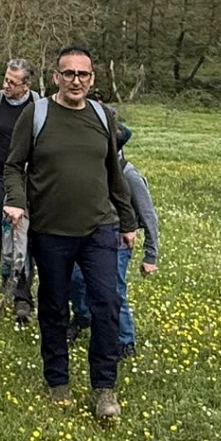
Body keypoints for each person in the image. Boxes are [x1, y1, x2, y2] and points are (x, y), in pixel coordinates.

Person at [3, 45, 138, 420]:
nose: (75, 80)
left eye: (83, 74)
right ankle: (58, 381)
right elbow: (13, 165)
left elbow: (114, 172)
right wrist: (15, 199)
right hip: (50, 231)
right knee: (53, 306)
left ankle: (104, 388)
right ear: (55, 77)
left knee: (107, 305)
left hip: (99, 228)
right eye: (68, 73)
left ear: (92, 79)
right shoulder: (37, 113)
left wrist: (127, 222)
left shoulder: (102, 116)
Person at [69, 123, 159, 359]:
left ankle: (124, 339)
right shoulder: (89, 169)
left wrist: (151, 255)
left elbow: (148, 215)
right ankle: (82, 316)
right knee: (76, 281)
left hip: (118, 240)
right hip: (85, 236)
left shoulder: (130, 175)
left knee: (113, 290)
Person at [0, 60, 39, 324]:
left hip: (26, 178)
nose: (5, 86)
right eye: (5, 79)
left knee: (23, 235)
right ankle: (8, 281)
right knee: (4, 232)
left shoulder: (38, 106)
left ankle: (23, 297)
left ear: (26, 85)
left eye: (12, 83)